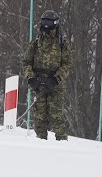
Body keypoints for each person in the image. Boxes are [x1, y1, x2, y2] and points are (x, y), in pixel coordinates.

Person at [22, 10, 72, 140]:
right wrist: (31, 78)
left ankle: (62, 142)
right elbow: (26, 62)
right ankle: (41, 142)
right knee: (40, 117)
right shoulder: (36, 42)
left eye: (49, 22)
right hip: (39, 84)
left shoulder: (62, 43)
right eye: (44, 22)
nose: (46, 25)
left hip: (55, 85)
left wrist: (56, 79)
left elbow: (67, 64)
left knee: (56, 116)